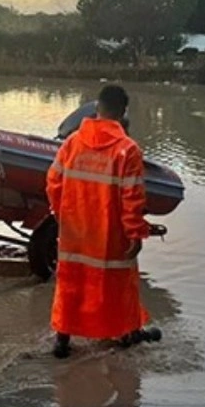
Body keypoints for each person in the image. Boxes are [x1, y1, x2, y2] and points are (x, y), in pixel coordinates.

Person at [45, 85, 161, 359]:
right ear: (122, 113)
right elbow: (132, 197)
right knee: (119, 284)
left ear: (97, 109)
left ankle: (62, 340)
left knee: (71, 284)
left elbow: (53, 182)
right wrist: (136, 233)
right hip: (110, 234)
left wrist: (63, 216)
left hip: (75, 231)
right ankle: (127, 333)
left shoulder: (72, 143)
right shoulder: (127, 150)